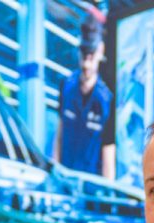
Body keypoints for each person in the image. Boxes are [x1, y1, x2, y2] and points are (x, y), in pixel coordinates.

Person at [51, 18, 113, 177]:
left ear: (101, 51)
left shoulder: (107, 100)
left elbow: (108, 153)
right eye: (84, 56)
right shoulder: (65, 87)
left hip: (90, 185)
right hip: (65, 178)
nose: (86, 64)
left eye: (91, 57)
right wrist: (54, 172)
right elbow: (59, 135)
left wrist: (108, 193)